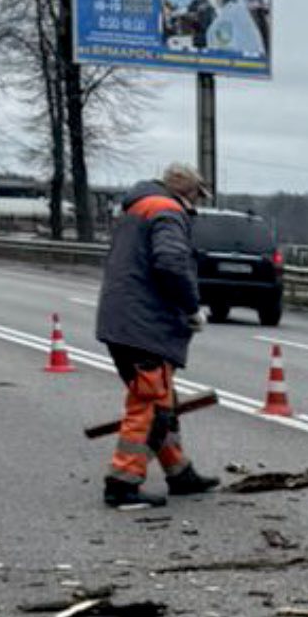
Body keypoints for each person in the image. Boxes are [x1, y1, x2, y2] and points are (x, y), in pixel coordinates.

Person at [94, 163, 221, 509]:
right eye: (197, 196)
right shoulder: (167, 211)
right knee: (151, 406)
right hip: (144, 326)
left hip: (124, 321)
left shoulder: (136, 209)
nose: (196, 205)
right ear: (189, 192)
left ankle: (180, 473)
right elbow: (170, 263)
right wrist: (191, 307)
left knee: (163, 401)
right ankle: (122, 483)